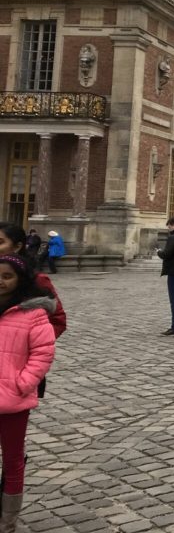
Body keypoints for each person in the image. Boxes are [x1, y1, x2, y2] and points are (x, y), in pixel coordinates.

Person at [0, 253, 56, 532]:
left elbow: (43, 353)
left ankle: (7, 522)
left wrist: (22, 384)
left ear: (20, 279)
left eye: (7, 276)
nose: (0, 282)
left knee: (12, 460)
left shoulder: (32, 313)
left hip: (13, 401)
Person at [0, 223, 66, 398]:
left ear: (18, 246)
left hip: (16, 369)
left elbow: (57, 321)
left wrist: (25, 343)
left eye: (0, 242)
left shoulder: (37, 281)